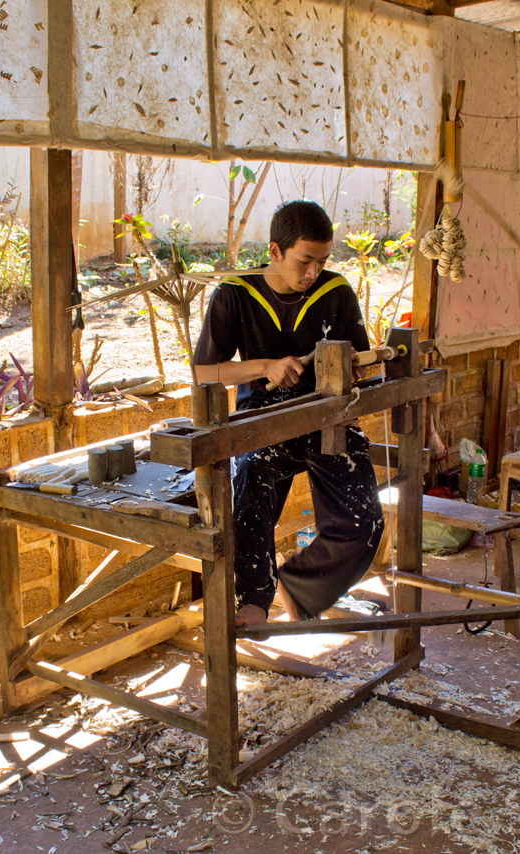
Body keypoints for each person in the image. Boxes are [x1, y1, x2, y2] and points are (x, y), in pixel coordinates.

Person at [193, 200, 384, 627]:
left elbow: (360, 357)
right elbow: (204, 372)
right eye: (304, 261)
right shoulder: (235, 293)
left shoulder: (335, 292)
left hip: (327, 414)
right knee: (249, 483)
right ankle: (254, 600)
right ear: (275, 251)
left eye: (323, 261)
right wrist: (265, 367)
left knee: (365, 523)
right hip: (264, 417)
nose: (314, 272)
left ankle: (299, 587)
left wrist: (356, 365)